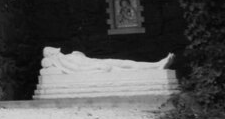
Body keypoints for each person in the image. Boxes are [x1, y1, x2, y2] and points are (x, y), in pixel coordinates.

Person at [40, 46, 174, 74]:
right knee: (124, 68)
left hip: (97, 61)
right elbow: (78, 70)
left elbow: (83, 59)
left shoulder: (69, 56)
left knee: (125, 63)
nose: (59, 51)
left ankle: (157, 65)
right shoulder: (62, 62)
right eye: (55, 51)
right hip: (98, 65)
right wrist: (95, 68)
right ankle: (156, 69)